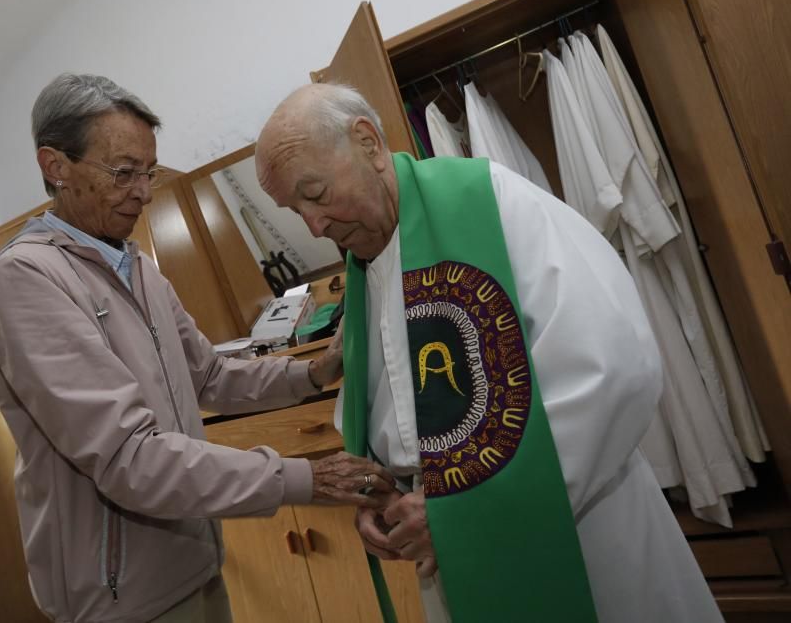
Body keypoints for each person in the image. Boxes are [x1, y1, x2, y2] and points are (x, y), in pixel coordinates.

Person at [255, 83, 722, 623]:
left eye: (315, 194)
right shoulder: (363, 267)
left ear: (368, 143)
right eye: (295, 210)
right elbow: (392, 413)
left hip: (576, 524)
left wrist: (464, 509)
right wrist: (379, 496)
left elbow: (612, 366)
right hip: (444, 548)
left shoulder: (491, 201)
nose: (314, 226)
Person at [0, 73, 395, 623]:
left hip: (192, 559)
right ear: (56, 167)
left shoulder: (135, 265)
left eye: (148, 172)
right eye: (123, 173)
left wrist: (313, 373)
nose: (142, 192)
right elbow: (130, 458)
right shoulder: (26, 279)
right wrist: (307, 478)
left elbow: (209, 376)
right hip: (123, 595)